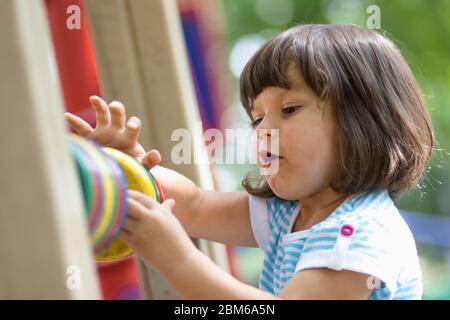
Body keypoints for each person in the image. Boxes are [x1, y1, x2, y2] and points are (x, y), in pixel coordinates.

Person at [65, 24, 433, 299]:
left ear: (363, 120)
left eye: (289, 109)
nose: (264, 131)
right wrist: (122, 170)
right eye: (257, 119)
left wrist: (175, 260)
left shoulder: (361, 235)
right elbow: (193, 206)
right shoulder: (287, 214)